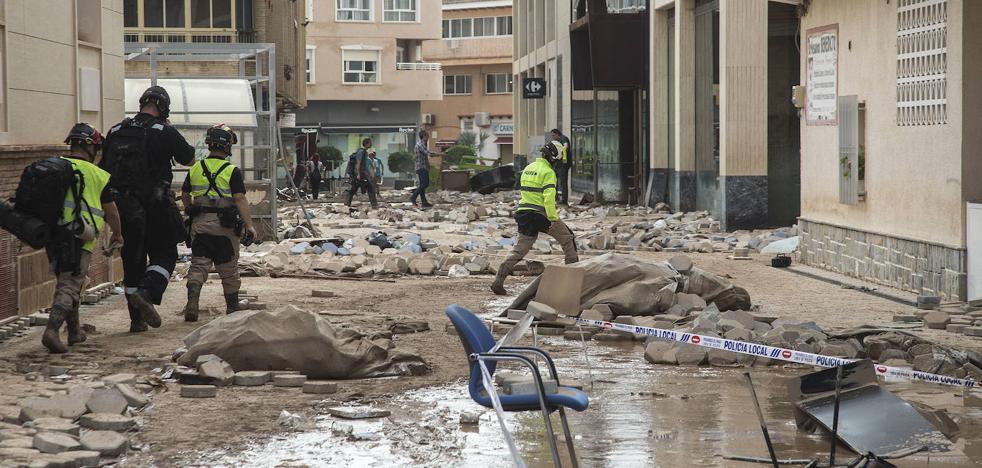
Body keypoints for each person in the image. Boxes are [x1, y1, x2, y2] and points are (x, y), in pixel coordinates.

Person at [100, 85, 195, 332]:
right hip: (155, 204)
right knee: (165, 253)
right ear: (164, 108)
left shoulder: (116, 130)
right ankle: (147, 292)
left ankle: (136, 320)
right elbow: (189, 158)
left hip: (123, 207)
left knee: (133, 260)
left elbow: (103, 169)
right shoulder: (164, 131)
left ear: (141, 104)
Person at [41, 124, 124, 353]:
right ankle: (52, 330)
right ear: (91, 147)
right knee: (70, 284)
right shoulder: (98, 175)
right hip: (79, 237)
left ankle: (74, 331)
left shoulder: (55, 165)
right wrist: (117, 233)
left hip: (52, 235)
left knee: (68, 281)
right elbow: (112, 212)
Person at [180, 124, 257, 321]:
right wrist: (249, 226)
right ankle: (232, 306)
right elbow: (239, 198)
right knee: (229, 268)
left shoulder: (196, 168)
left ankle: (192, 303)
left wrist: (189, 209)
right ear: (227, 146)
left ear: (209, 144)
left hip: (200, 225)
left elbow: (185, 194)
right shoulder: (232, 171)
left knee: (199, 265)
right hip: (225, 228)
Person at [491, 143, 578, 295]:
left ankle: (498, 280)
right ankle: (573, 281)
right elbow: (548, 199)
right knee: (568, 238)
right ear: (553, 158)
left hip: (524, 214)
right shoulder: (548, 172)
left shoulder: (529, 168)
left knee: (519, 250)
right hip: (540, 214)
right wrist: (553, 219)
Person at [345, 138, 378, 209]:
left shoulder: (365, 152)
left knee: (354, 188)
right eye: (370, 142)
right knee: (369, 188)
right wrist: (358, 174)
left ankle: (347, 203)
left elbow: (364, 165)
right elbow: (358, 163)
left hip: (362, 174)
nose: (371, 144)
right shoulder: (361, 152)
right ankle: (374, 205)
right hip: (360, 174)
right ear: (366, 143)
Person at [550, 128, 572, 205]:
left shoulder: (563, 138)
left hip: (563, 165)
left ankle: (564, 200)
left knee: (563, 182)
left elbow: (566, 146)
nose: (552, 137)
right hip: (557, 164)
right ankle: (556, 198)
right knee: (554, 181)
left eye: (553, 135)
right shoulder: (556, 141)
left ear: (557, 134)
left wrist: (561, 151)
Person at [410, 130, 432, 208]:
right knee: (425, 184)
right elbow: (428, 153)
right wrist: (440, 154)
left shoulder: (421, 144)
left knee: (423, 184)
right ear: (424, 136)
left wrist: (428, 164)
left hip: (422, 167)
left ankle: (424, 202)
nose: (428, 138)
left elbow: (424, 157)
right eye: (427, 136)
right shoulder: (420, 145)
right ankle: (413, 197)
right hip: (421, 167)